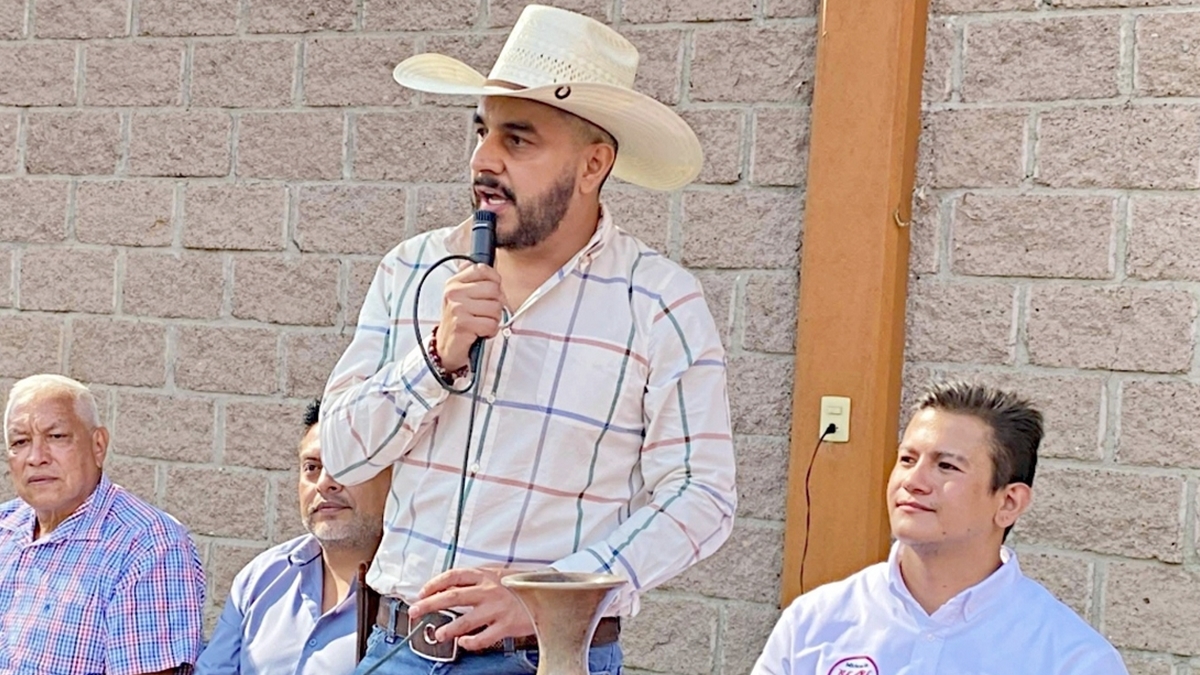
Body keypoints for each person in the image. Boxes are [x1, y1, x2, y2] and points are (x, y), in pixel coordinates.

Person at [320, 5, 736, 674]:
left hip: (543, 658)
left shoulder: (658, 301)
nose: (483, 159)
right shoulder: (412, 268)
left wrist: (549, 597)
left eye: (518, 139)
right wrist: (433, 359)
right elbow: (343, 452)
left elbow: (701, 494)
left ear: (593, 163)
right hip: (396, 646)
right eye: (482, 131)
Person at [752, 381, 1128, 675]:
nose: (914, 481)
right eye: (907, 459)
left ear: (1009, 502)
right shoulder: (815, 622)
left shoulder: (1070, 657)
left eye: (946, 466)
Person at [0, 373, 206, 675]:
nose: (36, 457)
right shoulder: (5, 527)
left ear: (98, 445)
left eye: (56, 437)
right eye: (20, 441)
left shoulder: (148, 544)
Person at [195, 399, 392, 675]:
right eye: (312, 467)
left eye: (347, 464)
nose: (325, 483)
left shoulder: (415, 598)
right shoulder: (260, 578)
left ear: (393, 475)